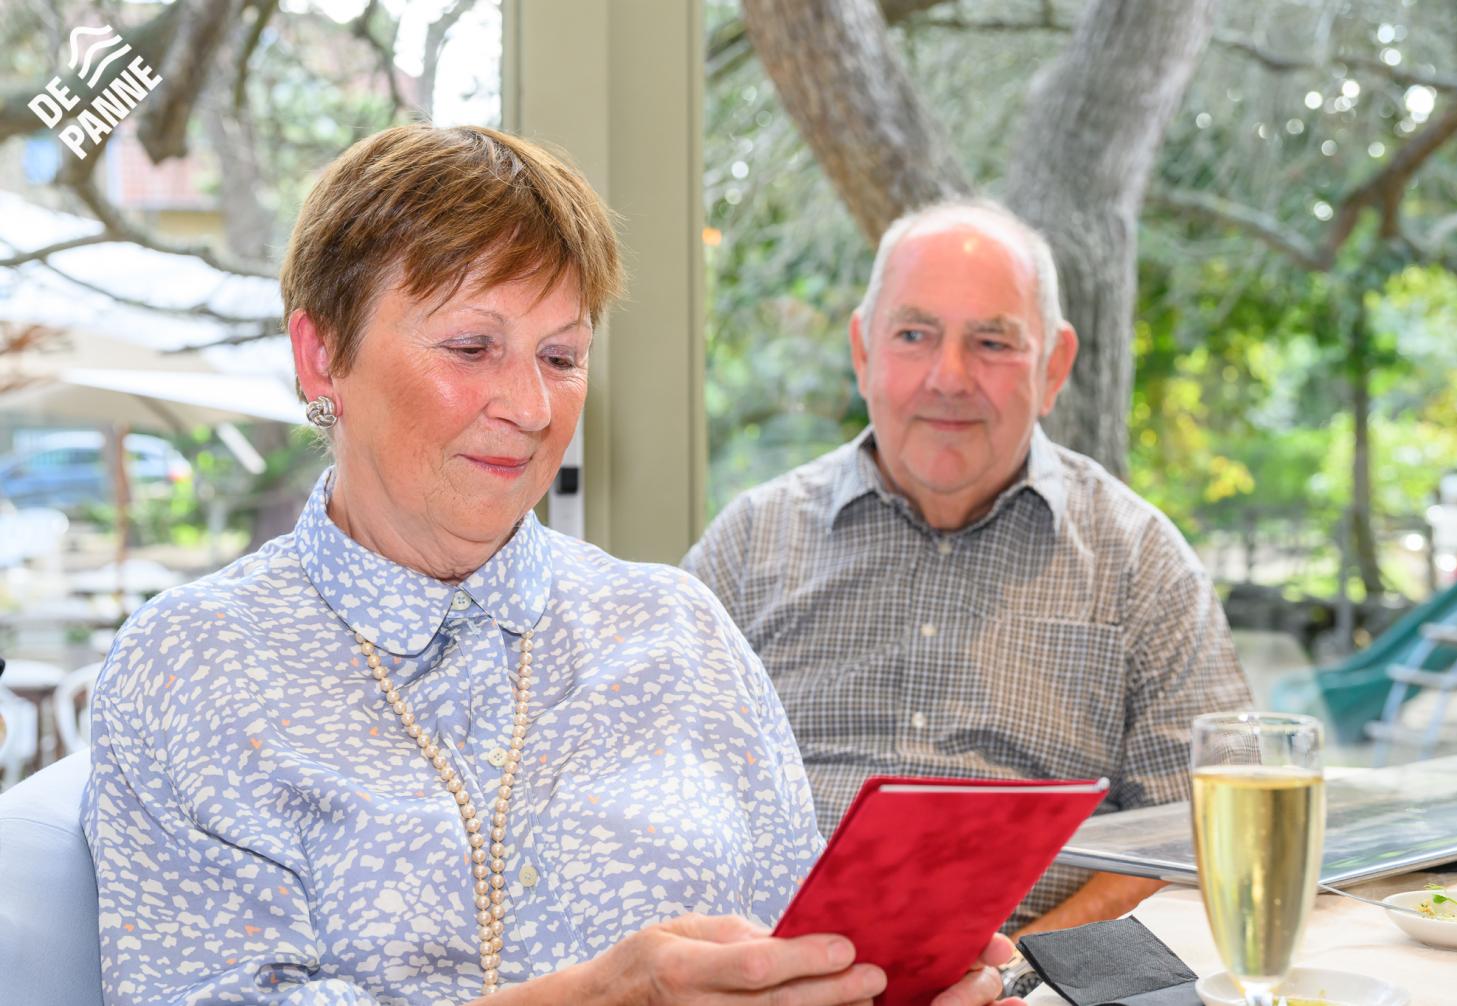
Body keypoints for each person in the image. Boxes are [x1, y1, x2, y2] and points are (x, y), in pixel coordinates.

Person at [83, 126, 1014, 1006]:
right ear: (321, 356)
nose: (531, 408)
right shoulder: (193, 665)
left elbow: (798, 951)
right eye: (471, 347)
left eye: (562, 357)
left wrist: (884, 981)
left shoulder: (679, 630)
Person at [684, 199, 1254, 937]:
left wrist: (1023, 964)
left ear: (1054, 367)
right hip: (770, 969)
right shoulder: (746, 548)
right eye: (913, 335)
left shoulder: (1143, 565)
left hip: (1038, 977)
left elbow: (1203, 825)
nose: (948, 377)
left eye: (992, 342)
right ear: (863, 351)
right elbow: (653, 791)